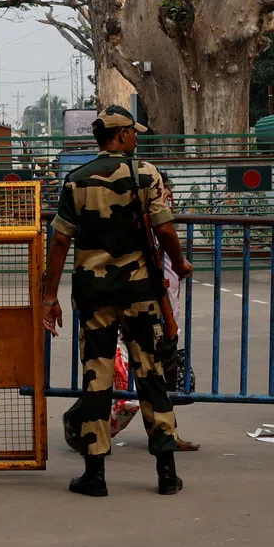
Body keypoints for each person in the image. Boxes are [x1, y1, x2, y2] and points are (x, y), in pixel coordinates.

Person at [42, 105, 193, 497]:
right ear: (121, 135)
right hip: (140, 294)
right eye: (133, 132)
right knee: (151, 376)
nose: (137, 138)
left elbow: (59, 240)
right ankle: (166, 472)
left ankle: (95, 475)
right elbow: (165, 229)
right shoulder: (145, 174)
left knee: (98, 380)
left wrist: (48, 296)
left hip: (94, 297)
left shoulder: (76, 181)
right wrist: (180, 263)